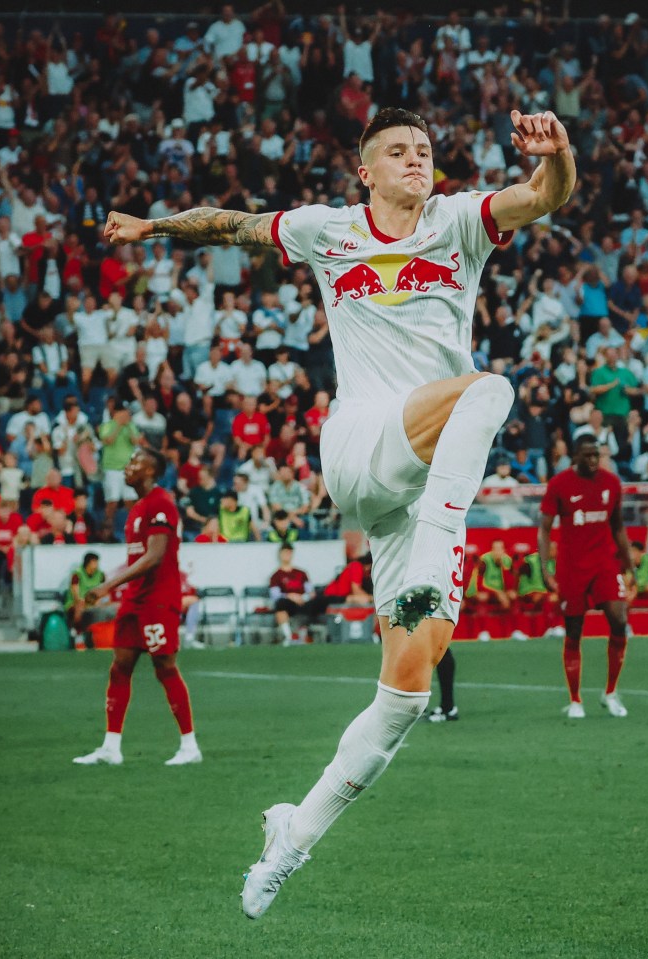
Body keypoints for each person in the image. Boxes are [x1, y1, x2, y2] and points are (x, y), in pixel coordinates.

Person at [102, 104, 575, 918]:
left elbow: (543, 198)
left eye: (424, 150)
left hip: (423, 484)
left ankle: (290, 835)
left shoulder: (460, 222)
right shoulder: (329, 230)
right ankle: (435, 556)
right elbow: (235, 225)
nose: (415, 161)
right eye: (397, 151)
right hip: (361, 443)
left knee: (407, 692)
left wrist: (559, 154)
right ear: (366, 169)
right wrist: (151, 228)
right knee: (492, 388)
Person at [72, 448, 201, 767]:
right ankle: (111, 747)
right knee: (120, 666)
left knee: (165, 667)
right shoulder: (137, 508)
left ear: (150, 472)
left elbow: (155, 556)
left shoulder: (161, 503)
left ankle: (189, 746)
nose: (127, 468)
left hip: (158, 599)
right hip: (135, 600)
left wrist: (107, 585)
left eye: (134, 463)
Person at [538, 433, 634, 720]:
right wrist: (545, 568)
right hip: (572, 566)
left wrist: (628, 565)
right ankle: (576, 699)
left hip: (605, 562)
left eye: (597, 454)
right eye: (588, 455)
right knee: (574, 631)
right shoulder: (559, 484)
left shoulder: (611, 483)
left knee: (619, 619)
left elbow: (618, 527)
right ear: (575, 456)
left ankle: (611, 693)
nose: (594, 460)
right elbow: (544, 528)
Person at [269, 544, 315, 645]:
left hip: (303, 601)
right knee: (280, 604)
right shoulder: (276, 576)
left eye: (289, 553)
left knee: (315, 602)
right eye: (285, 553)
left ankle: (305, 635)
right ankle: (289, 636)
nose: (287, 555)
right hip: (287, 602)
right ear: (280, 554)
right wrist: (290, 596)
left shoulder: (301, 573)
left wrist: (302, 597)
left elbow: (311, 592)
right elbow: (275, 595)